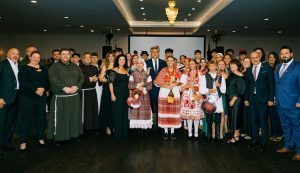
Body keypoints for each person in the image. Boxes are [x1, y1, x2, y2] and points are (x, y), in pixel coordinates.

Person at [47, 49, 84, 146]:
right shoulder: (54, 67)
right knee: (60, 118)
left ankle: (73, 135)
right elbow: (53, 79)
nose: (65, 55)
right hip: (61, 97)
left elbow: (81, 78)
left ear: (70, 56)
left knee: (74, 117)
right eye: (63, 54)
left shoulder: (75, 66)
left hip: (74, 96)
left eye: (67, 54)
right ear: (60, 55)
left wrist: (76, 86)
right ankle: (58, 138)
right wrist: (63, 87)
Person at [18, 51, 49, 152]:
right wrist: (36, 89)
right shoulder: (24, 68)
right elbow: (23, 82)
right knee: (25, 119)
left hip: (41, 97)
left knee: (40, 118)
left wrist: (43, 89)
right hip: (27, 97)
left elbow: (47, 81)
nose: (36, 59)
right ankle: (23, 141)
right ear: (30, 57)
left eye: (38, 57)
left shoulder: (44, 69)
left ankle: (40, 137)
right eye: (34, 57)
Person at [245, 51, 274, 151]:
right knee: (253, 121)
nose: (254, 59)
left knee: (263, 121)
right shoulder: (249, 70)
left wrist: (271, 99)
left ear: (260, 57)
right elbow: (247, 86)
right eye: (252, 58)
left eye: (256, 57)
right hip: (252, 100)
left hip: (263, 100)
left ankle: (264, 143)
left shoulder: (267, 68)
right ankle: (255, 140)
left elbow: (271, 85)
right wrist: (246, 99)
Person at [275, 46, 300, 161]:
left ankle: (299, 151)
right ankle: (288, 146)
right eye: (282, 53)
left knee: (297, 127)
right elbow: (277, 84)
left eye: (286, 53)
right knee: (285, 126)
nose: (284, 55)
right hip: (280, 103)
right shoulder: (278, 67)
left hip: (293, 104)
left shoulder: (298, 67)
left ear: (291, 54)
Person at [154, 56, 181, 139]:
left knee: (173, 112)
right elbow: (157, 82)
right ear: (166, 62)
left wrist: (175, 84)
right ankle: (165, 131)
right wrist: (167, 85)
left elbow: (181, 81)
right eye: (168, 61)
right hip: (164, 92)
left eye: (171, 60)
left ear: (174, 61)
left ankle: (172, 132)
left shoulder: (178, 70)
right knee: (165, 112)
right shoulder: (163, 70)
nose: (170, 62)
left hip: (175, 92)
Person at [0, 48, 20, 158]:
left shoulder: (20, 65)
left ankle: (7, 144)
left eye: (17, 54)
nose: (15, 55)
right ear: (8, 54)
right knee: (1, 123)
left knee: (10, 123)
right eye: (13, 53)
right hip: (3, 99)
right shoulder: (2, 64)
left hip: (16, 98)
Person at [199, 61, 226, 143]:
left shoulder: (221, 76)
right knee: (209, 119)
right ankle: (209, 136)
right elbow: (202, 90)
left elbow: (224, 90)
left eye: (214, 66)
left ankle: (217, 136)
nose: (212, 67)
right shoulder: (205, 76)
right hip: (209, 100)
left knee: (218, 119)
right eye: (210, 66)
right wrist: (209, 90)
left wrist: (219, 86)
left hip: (218, 100)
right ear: (208, 67)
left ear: (216, 67)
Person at [128, 58, 153, 139]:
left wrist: (144, 89)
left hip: (144, 96)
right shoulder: (133, 74)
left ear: (143, 64)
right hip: (135, 96)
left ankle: (144, 131)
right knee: (136, 112)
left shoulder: (147, 74)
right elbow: (130, 86)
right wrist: (138, 86)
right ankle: (137, 131)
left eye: (141, 63)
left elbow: (150, 86)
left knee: (144, 113)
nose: (139, 64)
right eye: (138, 63)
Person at [180, 60, 204, 138]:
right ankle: (190, 131)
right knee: (189, 115)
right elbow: (182, 86)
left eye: (193, 63)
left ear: (196, 64)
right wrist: (188, 86)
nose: (191, 65)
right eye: (190, 64)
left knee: (196, 114)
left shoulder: (200, 73)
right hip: (187, 95)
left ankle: (196, 131)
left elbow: (203, 85)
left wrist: (193, 86)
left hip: (196, 95)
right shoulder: (185, 74)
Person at [108, 54, 129, 139]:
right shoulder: (113, 70)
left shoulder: (127, 70)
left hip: (125, 95)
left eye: (123, 59)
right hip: (117, 95)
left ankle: (124, 133)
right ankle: (118, 134)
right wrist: (112, 94)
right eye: (120, 59)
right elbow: (110, 83)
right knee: (117, 113)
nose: (122, 61)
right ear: (117, 60)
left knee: (124, 113)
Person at [146, 46, 167, 129]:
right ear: (151, 53)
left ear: (159, 53)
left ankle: (159, 125)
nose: (155, 53)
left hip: (160, 89)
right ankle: (149, 125)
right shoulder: (146, 63)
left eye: (156, 52)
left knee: (160, 108)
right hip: (150, 89)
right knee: (149, 108)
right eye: (153, 52)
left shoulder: (163, 63)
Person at [226, 59, 246, 144]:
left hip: (236, 100)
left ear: (238, 65)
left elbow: (241, 91)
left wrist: (233, 100)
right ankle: (236, 134)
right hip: (230, 99)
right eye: (231, 65)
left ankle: (236, 136)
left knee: (236, 117)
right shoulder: (231, 74)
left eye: (234, 65)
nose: (232, 66)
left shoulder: (240, 76)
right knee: (233, 117)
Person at [79, 53, 99, 131]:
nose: (87, 59)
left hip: (92, 91)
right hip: (83, 92)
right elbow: (81, 78)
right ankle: (83, 127)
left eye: (89, 57)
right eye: (85, 57)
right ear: (83, 59)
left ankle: (92, 126)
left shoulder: (94, 67)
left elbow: (95, 77)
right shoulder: (79, 68)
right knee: (84, 110)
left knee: (92, 109)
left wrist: (90, 79)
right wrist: (90, 79)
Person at [267, 52, 283, 142]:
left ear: (276, 58)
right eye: (270, 57)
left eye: (273, 57)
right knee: (272, 115)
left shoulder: (279, 68)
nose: (271, 59)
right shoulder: (267, 68)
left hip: (276, 95)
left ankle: (279, 134)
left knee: (276, 116)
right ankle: (274, 133)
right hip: (269, 95)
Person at [99, 52, 115, 135]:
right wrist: (109, 81)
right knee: (108, 107)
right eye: (109, 56)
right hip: (107, 90)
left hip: (117, 89)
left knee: (115, 108)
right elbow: (101, 79)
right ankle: (108, 126)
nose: (111, 57)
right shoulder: (105, 66)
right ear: (107, 57)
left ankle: (115, 125)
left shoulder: (118, 65)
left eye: (112, 56)